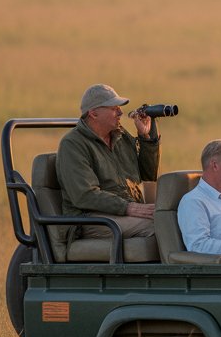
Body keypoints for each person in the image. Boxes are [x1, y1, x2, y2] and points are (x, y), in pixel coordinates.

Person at [56, 83, 160, 241]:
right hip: (90, 220)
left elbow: (148, 174)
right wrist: (129, 208)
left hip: (121, 214)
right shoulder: (73, 144)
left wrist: (145, 138)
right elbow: (85, 196)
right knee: (160, 226)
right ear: (93, 113)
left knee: (174, 218)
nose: (120, 112)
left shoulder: (120, 136)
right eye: (114, 108)